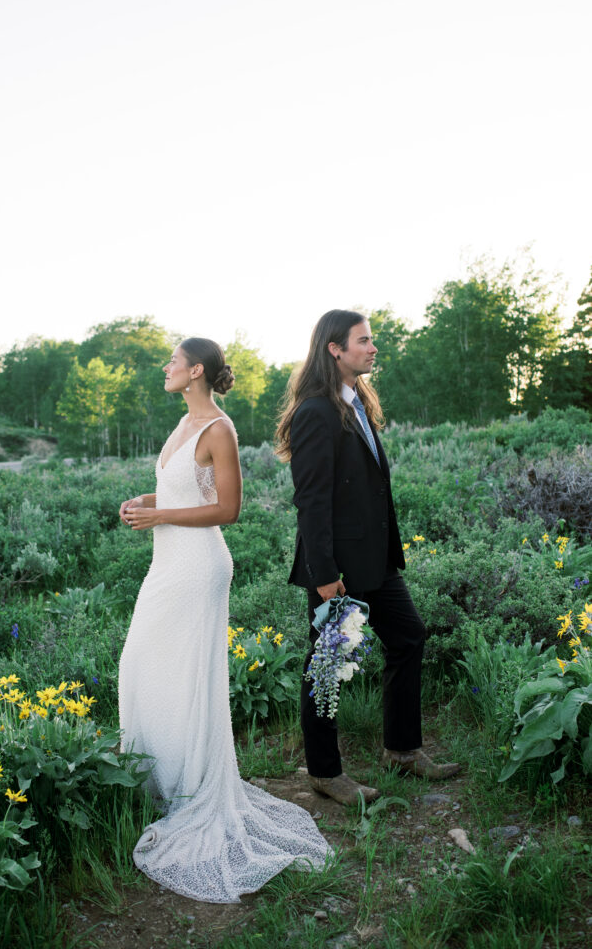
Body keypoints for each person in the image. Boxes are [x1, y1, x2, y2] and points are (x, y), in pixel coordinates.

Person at [118, 337, 329, 903]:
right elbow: (183, 490)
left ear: (196, 372)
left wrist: (160, 513)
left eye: (172, 361)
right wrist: (146, 502)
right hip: (168, 563)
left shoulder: (219, 428)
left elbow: (228, 509)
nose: (165, 367)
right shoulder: (182, 424)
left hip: (199, 568)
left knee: (183, 676)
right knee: (143, 667)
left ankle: (191, 791)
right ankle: (162, 784)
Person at [276, 310, 460, 806]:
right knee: (329, 664)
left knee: (408, 638)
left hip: (376, 561)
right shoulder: (316, 411)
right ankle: (324, 772)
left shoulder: (354, 402)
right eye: (364, 341)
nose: (373, 348)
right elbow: (311, 502)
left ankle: (401, 750)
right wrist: (324, 576)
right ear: (335, 349)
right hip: (338, 569)